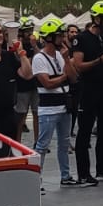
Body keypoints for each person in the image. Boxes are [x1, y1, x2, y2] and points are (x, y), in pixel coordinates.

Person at [71, 0, 103, 184]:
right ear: (97, 18)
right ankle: (83, 173)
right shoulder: (82, 39)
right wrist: (98, 61)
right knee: (84, 132)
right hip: (89, 89)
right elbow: (78, 66)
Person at [32, 19, 82, 187]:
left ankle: (66, 176)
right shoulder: (39, 58)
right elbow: (47, 83)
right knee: (42, 145)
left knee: (64, 143)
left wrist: (67, 60)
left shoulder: (61, 56)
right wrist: (64, 77)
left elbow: (74, 78)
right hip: (48, 108)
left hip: (64, 106)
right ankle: (35, 179)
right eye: (59, 35)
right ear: (50, 38)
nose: (62, 38)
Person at [13, 18, 39, 142]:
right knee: (20, 116)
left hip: (35, 84)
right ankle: (17, 142)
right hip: (22, 85)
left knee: (37, 113)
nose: (30, 33)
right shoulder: (18, 44)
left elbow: (40, 59)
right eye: (27, 30)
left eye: (31, 30)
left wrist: (34, 46)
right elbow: (22, 62)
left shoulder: (35, 44)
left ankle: (37, 141)